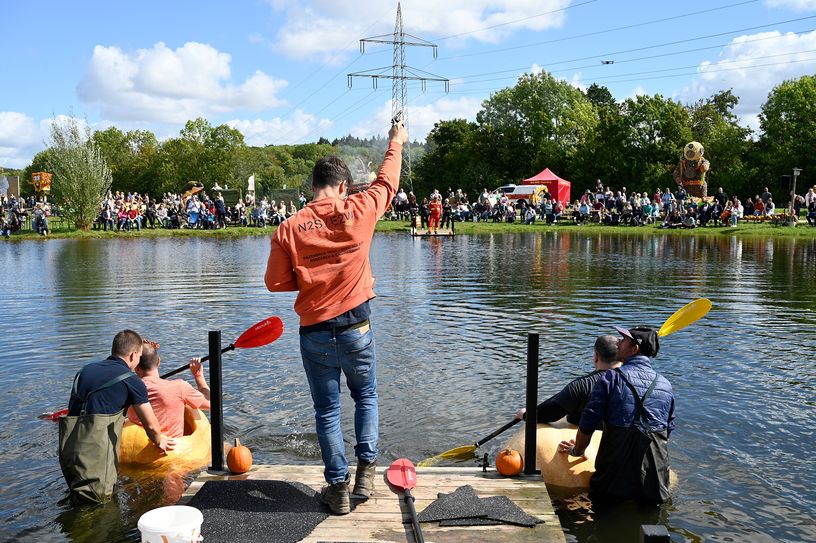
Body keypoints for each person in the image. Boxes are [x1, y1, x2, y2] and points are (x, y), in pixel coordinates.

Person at [264, 121, 408, 515]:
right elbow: (387, 182)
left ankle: (338, 488)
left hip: (314, 332)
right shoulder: (359, 209)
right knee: (366, 397)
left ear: (313, 187)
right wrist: (395, 141)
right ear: (344, 187)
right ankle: (366, 475)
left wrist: (311, 277)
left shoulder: (288, 228)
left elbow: (275, 283)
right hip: (357, 326)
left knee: (326, 410)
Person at [559, 326, 674, 506]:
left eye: (624, 340)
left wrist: (577, 451)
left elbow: (588, 422)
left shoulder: (611, 378)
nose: (618, 343)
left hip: (614, 479)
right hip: (654, 481)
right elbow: (668, 430)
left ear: (634, 349)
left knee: (602, 519)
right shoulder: (665, 384)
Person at [59, 330, 175, 503]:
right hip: (95, 459)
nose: (137, 364)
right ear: (133, 355)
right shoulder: (132, 381)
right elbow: (151, 425)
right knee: (99, 507)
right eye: (139, 356)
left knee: (77, 499)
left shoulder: (85, 370)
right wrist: (160, 440)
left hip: (68, 452)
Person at [515, 335, 620, 426]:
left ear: (596, 356)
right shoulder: (634, 378)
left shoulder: (581, 385)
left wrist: (525, 414)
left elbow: (549, 413)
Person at [126, 341, 210, 438]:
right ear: (158, 361)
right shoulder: (180, 387)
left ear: (136, 367)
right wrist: (198, 375)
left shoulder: (128, 388)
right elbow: (210, 404)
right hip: (171, 451)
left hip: (136, 449)